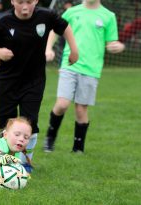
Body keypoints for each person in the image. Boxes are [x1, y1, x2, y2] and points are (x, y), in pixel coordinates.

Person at [0, 0, 78, 173]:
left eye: (29, 1)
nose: (25, 7)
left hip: (34, 81)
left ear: (36, 1)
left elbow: (65, 27)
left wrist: (74, 49)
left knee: (30, 123)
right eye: (20, 2)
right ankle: (0, 156)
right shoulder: (2, 20)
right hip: (7, 81)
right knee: (1, 123)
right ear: (12, 1)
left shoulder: (46, 16)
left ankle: (25, 163)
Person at [44, 0, 125, 153]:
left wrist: (118, 47)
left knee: (81, 110)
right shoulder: (72, 12)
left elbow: (112, 43)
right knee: (62, 104)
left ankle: (78, 148)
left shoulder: (108, 16)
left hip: (91, 69)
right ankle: (50, 138)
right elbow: (55, 31)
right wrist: (48, 48)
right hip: (70, 63)